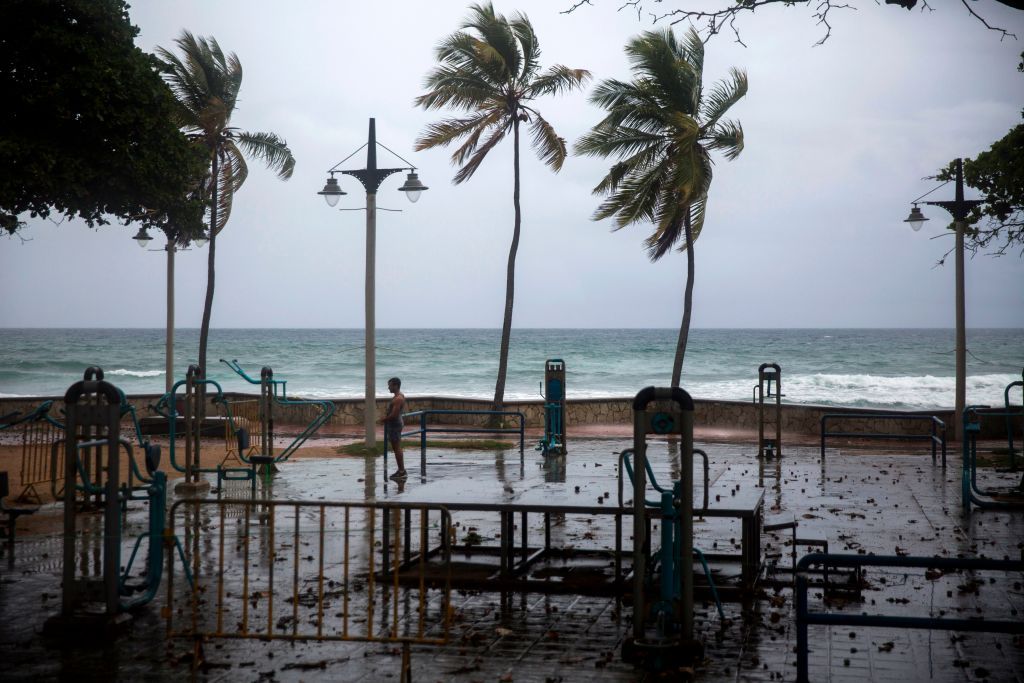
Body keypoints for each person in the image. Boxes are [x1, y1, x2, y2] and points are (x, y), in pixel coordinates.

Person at [380, 377, 406, 479]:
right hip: (396, 424)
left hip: (395, 425)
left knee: (397, 448)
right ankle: (401, 470)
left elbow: (394, 415)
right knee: (396, 448)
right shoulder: (400, 396)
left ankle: (401, 471)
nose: (388, 388)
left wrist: (384, 419)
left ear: (395, 385)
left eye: (390, 385)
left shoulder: (398, 399)